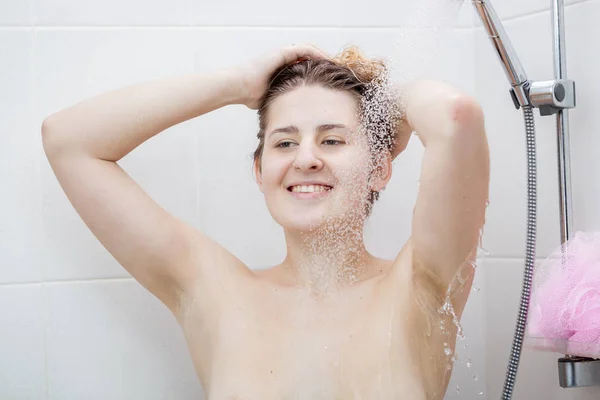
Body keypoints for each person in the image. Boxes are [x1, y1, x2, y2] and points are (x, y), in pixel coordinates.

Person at [41, 43, 490, 399]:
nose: (307, 159)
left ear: (379, 169)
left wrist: (387, 99)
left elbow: (456, 117)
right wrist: (237, 84)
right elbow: (68, 140)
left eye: (332, 140)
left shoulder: (421, 286)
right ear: (259, 171)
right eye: (284, 143)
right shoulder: (214, 291)